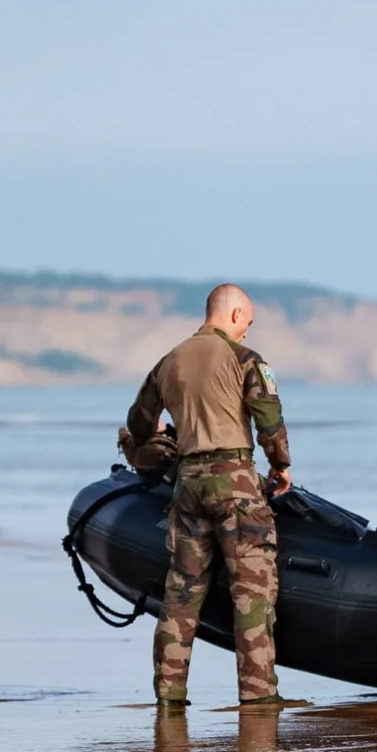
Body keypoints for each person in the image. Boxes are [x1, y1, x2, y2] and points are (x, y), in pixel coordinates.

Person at [122, 284, 293, 707]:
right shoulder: (244, 359)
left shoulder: (169, 361)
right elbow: (268, 420)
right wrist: (281, 463)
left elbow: (138, 423)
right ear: (235, 316)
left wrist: (163, 431)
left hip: (188, 485)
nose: (248, 333)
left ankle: (169, 696)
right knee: (251, 590)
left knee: (181, 594)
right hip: (235, 482)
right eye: (248, 323)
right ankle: (257, 697)